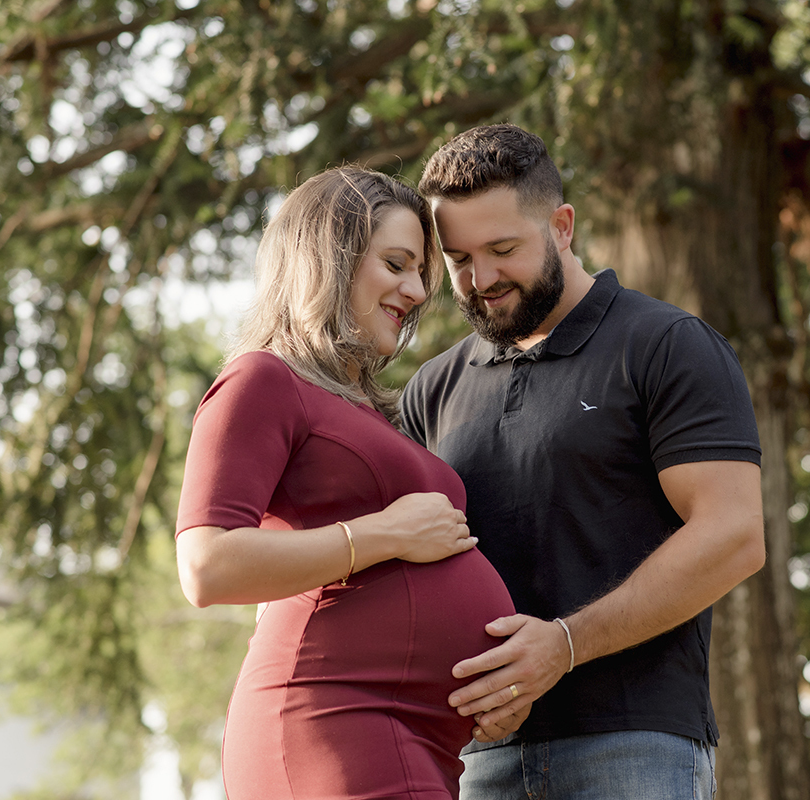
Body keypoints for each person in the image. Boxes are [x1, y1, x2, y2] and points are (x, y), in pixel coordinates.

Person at [400, 124, 767, 799]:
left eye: (503, 249)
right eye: (457, 259)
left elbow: (734, 535)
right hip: (478, 758)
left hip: (634, 747)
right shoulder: (431, 389)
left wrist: (563, 646)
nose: (480, 280)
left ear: (562, 227)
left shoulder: (667, 345)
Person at [174, 166, 521, 800]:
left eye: (420, 272)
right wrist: (384, 533)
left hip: (419, 739)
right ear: (327, 260)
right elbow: (207, 565)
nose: (417, 291)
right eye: (396, 264)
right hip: (331, 721)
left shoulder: (361, 411)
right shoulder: (262, 380)